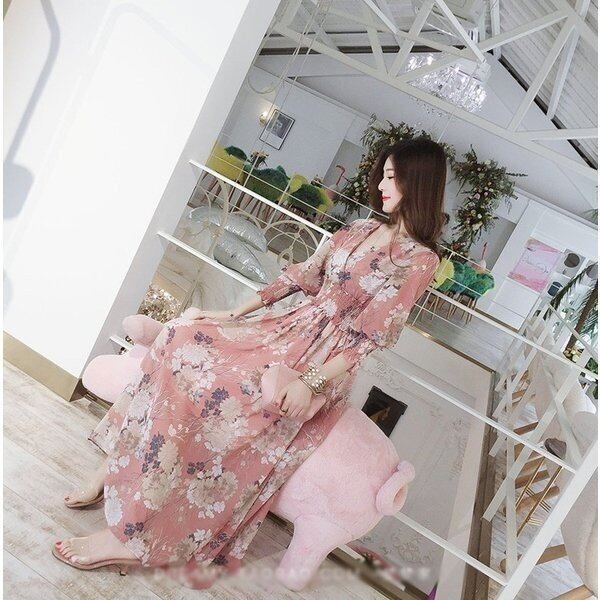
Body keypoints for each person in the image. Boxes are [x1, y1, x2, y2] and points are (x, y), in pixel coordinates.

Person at [53, 137, 447, 589]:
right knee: (180, 336)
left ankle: (134, 534)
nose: (380, 185)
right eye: (383, 174)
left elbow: (368, 339)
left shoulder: (420, 260)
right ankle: (110, 470)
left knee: (216, 394)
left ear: (418, 183)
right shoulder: (359, 228)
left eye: (392, 178)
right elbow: (300, 278)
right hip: (284, 328)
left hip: (319, 360)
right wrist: (230, 315)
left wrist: (310, 382)